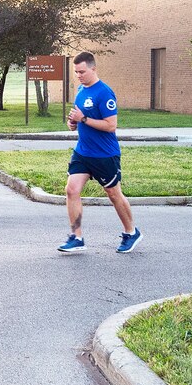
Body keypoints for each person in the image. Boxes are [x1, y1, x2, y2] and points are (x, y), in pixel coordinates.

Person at [58, 51, 142, 253]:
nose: (79, 75)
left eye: (82, 71)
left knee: (114, 194)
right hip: (83, 153)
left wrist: (84, 119)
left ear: (93, 69)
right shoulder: (80, 90)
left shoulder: (104, 93)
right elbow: (79, 119)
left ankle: (131, 232)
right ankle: (76, 237)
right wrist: (73, 123)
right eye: (76, 72)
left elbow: (111, 125)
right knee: (71, 190)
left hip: (104, 154)